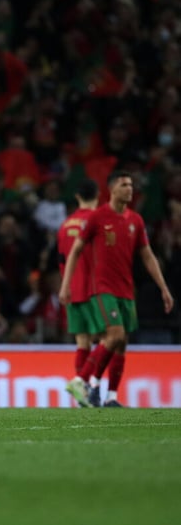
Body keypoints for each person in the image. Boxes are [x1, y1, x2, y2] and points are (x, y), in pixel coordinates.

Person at [60, 171, 174, 408]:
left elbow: (147, 255)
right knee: (114, 335)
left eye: (131, 185)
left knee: (122, 343)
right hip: (103, 288)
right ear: (112, 189)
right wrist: (65, 285)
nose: (130, 189)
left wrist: (163, 287)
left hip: (126, 289)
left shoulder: (136, 220)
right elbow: (75, 251)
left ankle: (110, 396)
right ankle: (81, 380)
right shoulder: (97, 217)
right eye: (124, 185)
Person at [56, 178, 103, 407]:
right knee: (110, 339)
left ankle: (83, 392)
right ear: (98, 195)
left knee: (82, 342)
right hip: (95, 289)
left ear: (77, 197)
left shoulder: (65, 225)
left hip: (71, 289)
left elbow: (62, 260)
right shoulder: (97, 221)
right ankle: (83, 382)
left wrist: (65, 286)